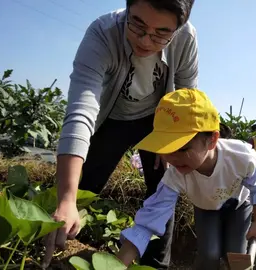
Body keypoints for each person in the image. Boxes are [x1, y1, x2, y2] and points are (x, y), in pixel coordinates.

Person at [42, 0, 197, 268]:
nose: (146, 41)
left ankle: (156, 264)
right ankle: (54, 244)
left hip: (159, 121)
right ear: (127, 8)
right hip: (113, 117)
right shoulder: (103, 33)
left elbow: (188, 98)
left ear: (178, 28)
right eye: (137, 24)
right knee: (81, 188)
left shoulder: (185, 39)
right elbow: (81, 111)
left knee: (164, 187)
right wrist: (66, 199)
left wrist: (171, 140)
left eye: (161, 33)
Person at [116, 89, 256, 269]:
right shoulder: (175, 175)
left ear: (212, 139)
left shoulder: (240, 157)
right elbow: (149, 220)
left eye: (182, 149)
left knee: (236, 255)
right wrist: (117, 265)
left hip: (238, 205)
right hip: (205, 207)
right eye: (165, 149)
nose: (172, 158)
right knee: (209, 254)